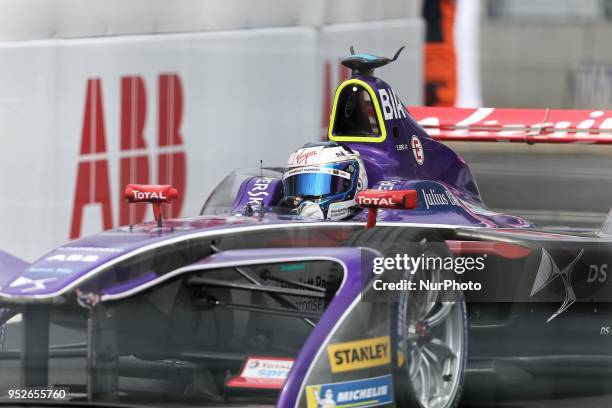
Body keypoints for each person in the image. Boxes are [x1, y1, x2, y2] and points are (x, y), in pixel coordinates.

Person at [281, 142, 368, 220]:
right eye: (297, 189)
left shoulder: (373, 226)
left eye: (323, 185)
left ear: (358, 185)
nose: (306, 203)